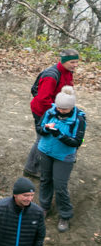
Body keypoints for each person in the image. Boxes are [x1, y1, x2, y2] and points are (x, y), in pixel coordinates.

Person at [36, 86, 86, 232]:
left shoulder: (79, 119)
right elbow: (39, 128)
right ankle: (44, 207)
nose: (60, 111)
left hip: (64, 157)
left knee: (60, 186)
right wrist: (46, 129)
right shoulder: (50, 112)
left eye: (64, 109)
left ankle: (65, 215)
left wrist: (58, 134)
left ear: (71, 107)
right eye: (58, 107)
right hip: (45, 151)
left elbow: (77, 141)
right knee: (45, 179)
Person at [24, 49, 79, 178]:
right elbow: (43, 99)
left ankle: (51, 158)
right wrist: (56, 114)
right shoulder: (51, 76)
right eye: (72, 62)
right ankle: (31, 168)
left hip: (55, 109)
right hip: (42, 111)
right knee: (42, 138)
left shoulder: (68, 72)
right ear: (64, 61)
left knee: (50, 136)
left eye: (77, 62)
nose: (75, 65)